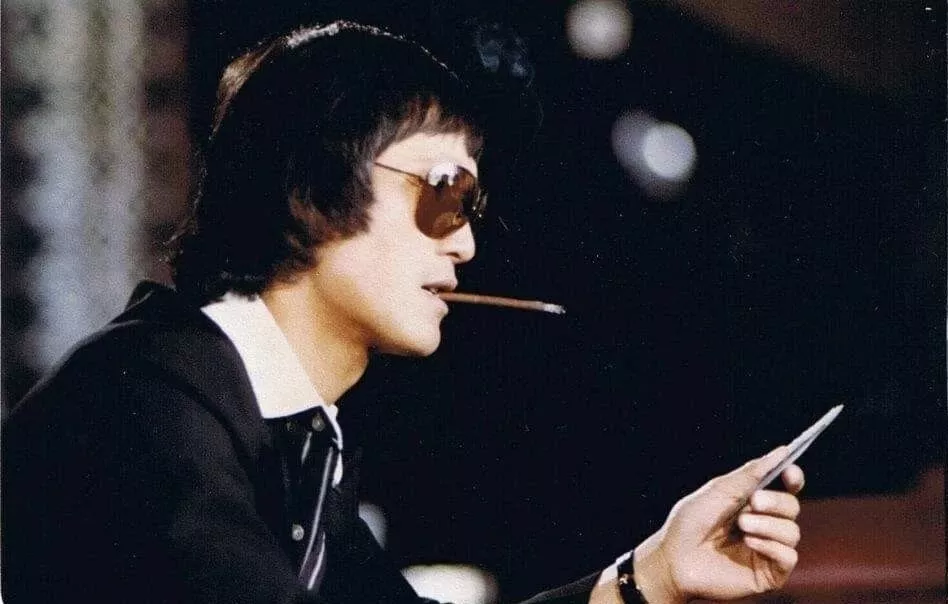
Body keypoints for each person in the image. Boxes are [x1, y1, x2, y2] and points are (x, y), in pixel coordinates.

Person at [2, 21, 805, 604]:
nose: (466, 245)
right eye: (443, 193)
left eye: (471, 207)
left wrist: (651, 575)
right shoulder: (149, 403)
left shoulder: (285, 434)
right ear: (312, 189)